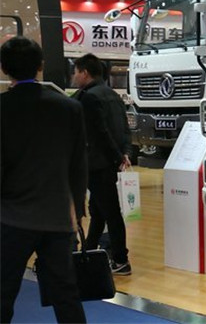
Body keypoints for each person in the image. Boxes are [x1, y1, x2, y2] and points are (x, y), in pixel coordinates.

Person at [1, 37, 87, 323]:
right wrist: (77, 210)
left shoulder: (2, 108)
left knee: (3, 293)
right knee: (66, 295)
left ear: (4, 68)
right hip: (57, 218)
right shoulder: (69, 108)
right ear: (40, 66)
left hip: (11, 218)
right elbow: (78, 165)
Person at [72, 53, 133, 275]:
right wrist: (124, 153)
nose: (74, 77)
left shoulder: (88, 98)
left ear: (85, 72)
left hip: (97, 164)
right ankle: (89, 252)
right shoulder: (113, 95)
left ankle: (121, 259)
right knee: (99, 211)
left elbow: (100, 133)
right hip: (108, 163)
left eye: (76, 72)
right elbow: (124, 129)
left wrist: (117, 155)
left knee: (111, 213)